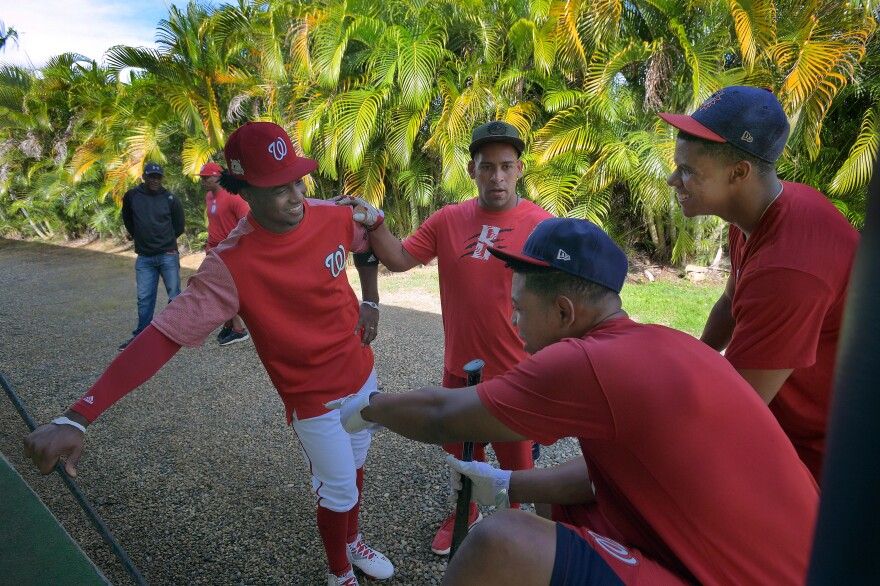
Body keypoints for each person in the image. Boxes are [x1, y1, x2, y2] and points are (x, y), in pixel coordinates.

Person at [329, 218, 819, 585]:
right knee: (549, 500)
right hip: (795, 560)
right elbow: (607, 474)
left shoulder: (585, 362)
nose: (514, 323)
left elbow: (443, 415)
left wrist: (369, 406)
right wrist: (506, 483)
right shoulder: (663, 343)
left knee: (498, 542)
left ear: (564, 312)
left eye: (519, 310)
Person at [23, 122, 393, 586]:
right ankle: (339, 573)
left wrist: (371, 300)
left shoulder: (331, 214)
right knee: (337, 486)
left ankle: (352, 541)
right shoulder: (230, 264)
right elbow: (163, 335)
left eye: (298, 181)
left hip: (362, 375)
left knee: (357, 466)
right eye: (278, 189)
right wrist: (77, 417)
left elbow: (369, 244)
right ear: (244, 191)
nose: (297, 196)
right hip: (313, 399)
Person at [339, 120, 552, 555]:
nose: (497, 177)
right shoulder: (449, 219)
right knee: (460, 456)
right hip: (459, 368)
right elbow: (398, 258)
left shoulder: (542, 225)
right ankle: (465, 511)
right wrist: (375, 223)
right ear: (472, 170)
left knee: (518, 466)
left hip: (516, 374)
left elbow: (559, 298)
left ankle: (517, 529)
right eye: (487, 167)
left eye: (506, 167)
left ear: (520, 169)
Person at [658, 85, 860, 482]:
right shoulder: (753, 217)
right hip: (787, 424)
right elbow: (729, 305)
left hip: (820, 455)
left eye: (688, 171)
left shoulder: (790, 267)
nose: (672, 180)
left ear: (738, 173)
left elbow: (738, 410)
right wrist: (697, 359)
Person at [119, 162, 185, 350]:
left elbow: (179, 226)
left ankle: (175, 331)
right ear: (144, 177)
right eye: (151, 176)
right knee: (145, 297)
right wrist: (140, 238)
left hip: (167, 254)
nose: (155, 180)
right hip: (145, 258)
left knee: (174, 294)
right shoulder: (132, 196)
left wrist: (166, 242)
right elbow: (128, 221)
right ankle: (141, 335)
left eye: (158, 177)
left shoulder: (170, 198)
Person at [199, 161, 251, 346]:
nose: (203, 181)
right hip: (214, 251)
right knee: (216, 289)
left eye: (207, 177)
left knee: (225, 291)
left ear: (218, 177)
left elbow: (247, 224)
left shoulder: (233, 198)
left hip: (230, 252)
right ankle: (229, 324)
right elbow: (214, 223)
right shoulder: (209, 196)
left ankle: (238, 329)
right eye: (202, 178)